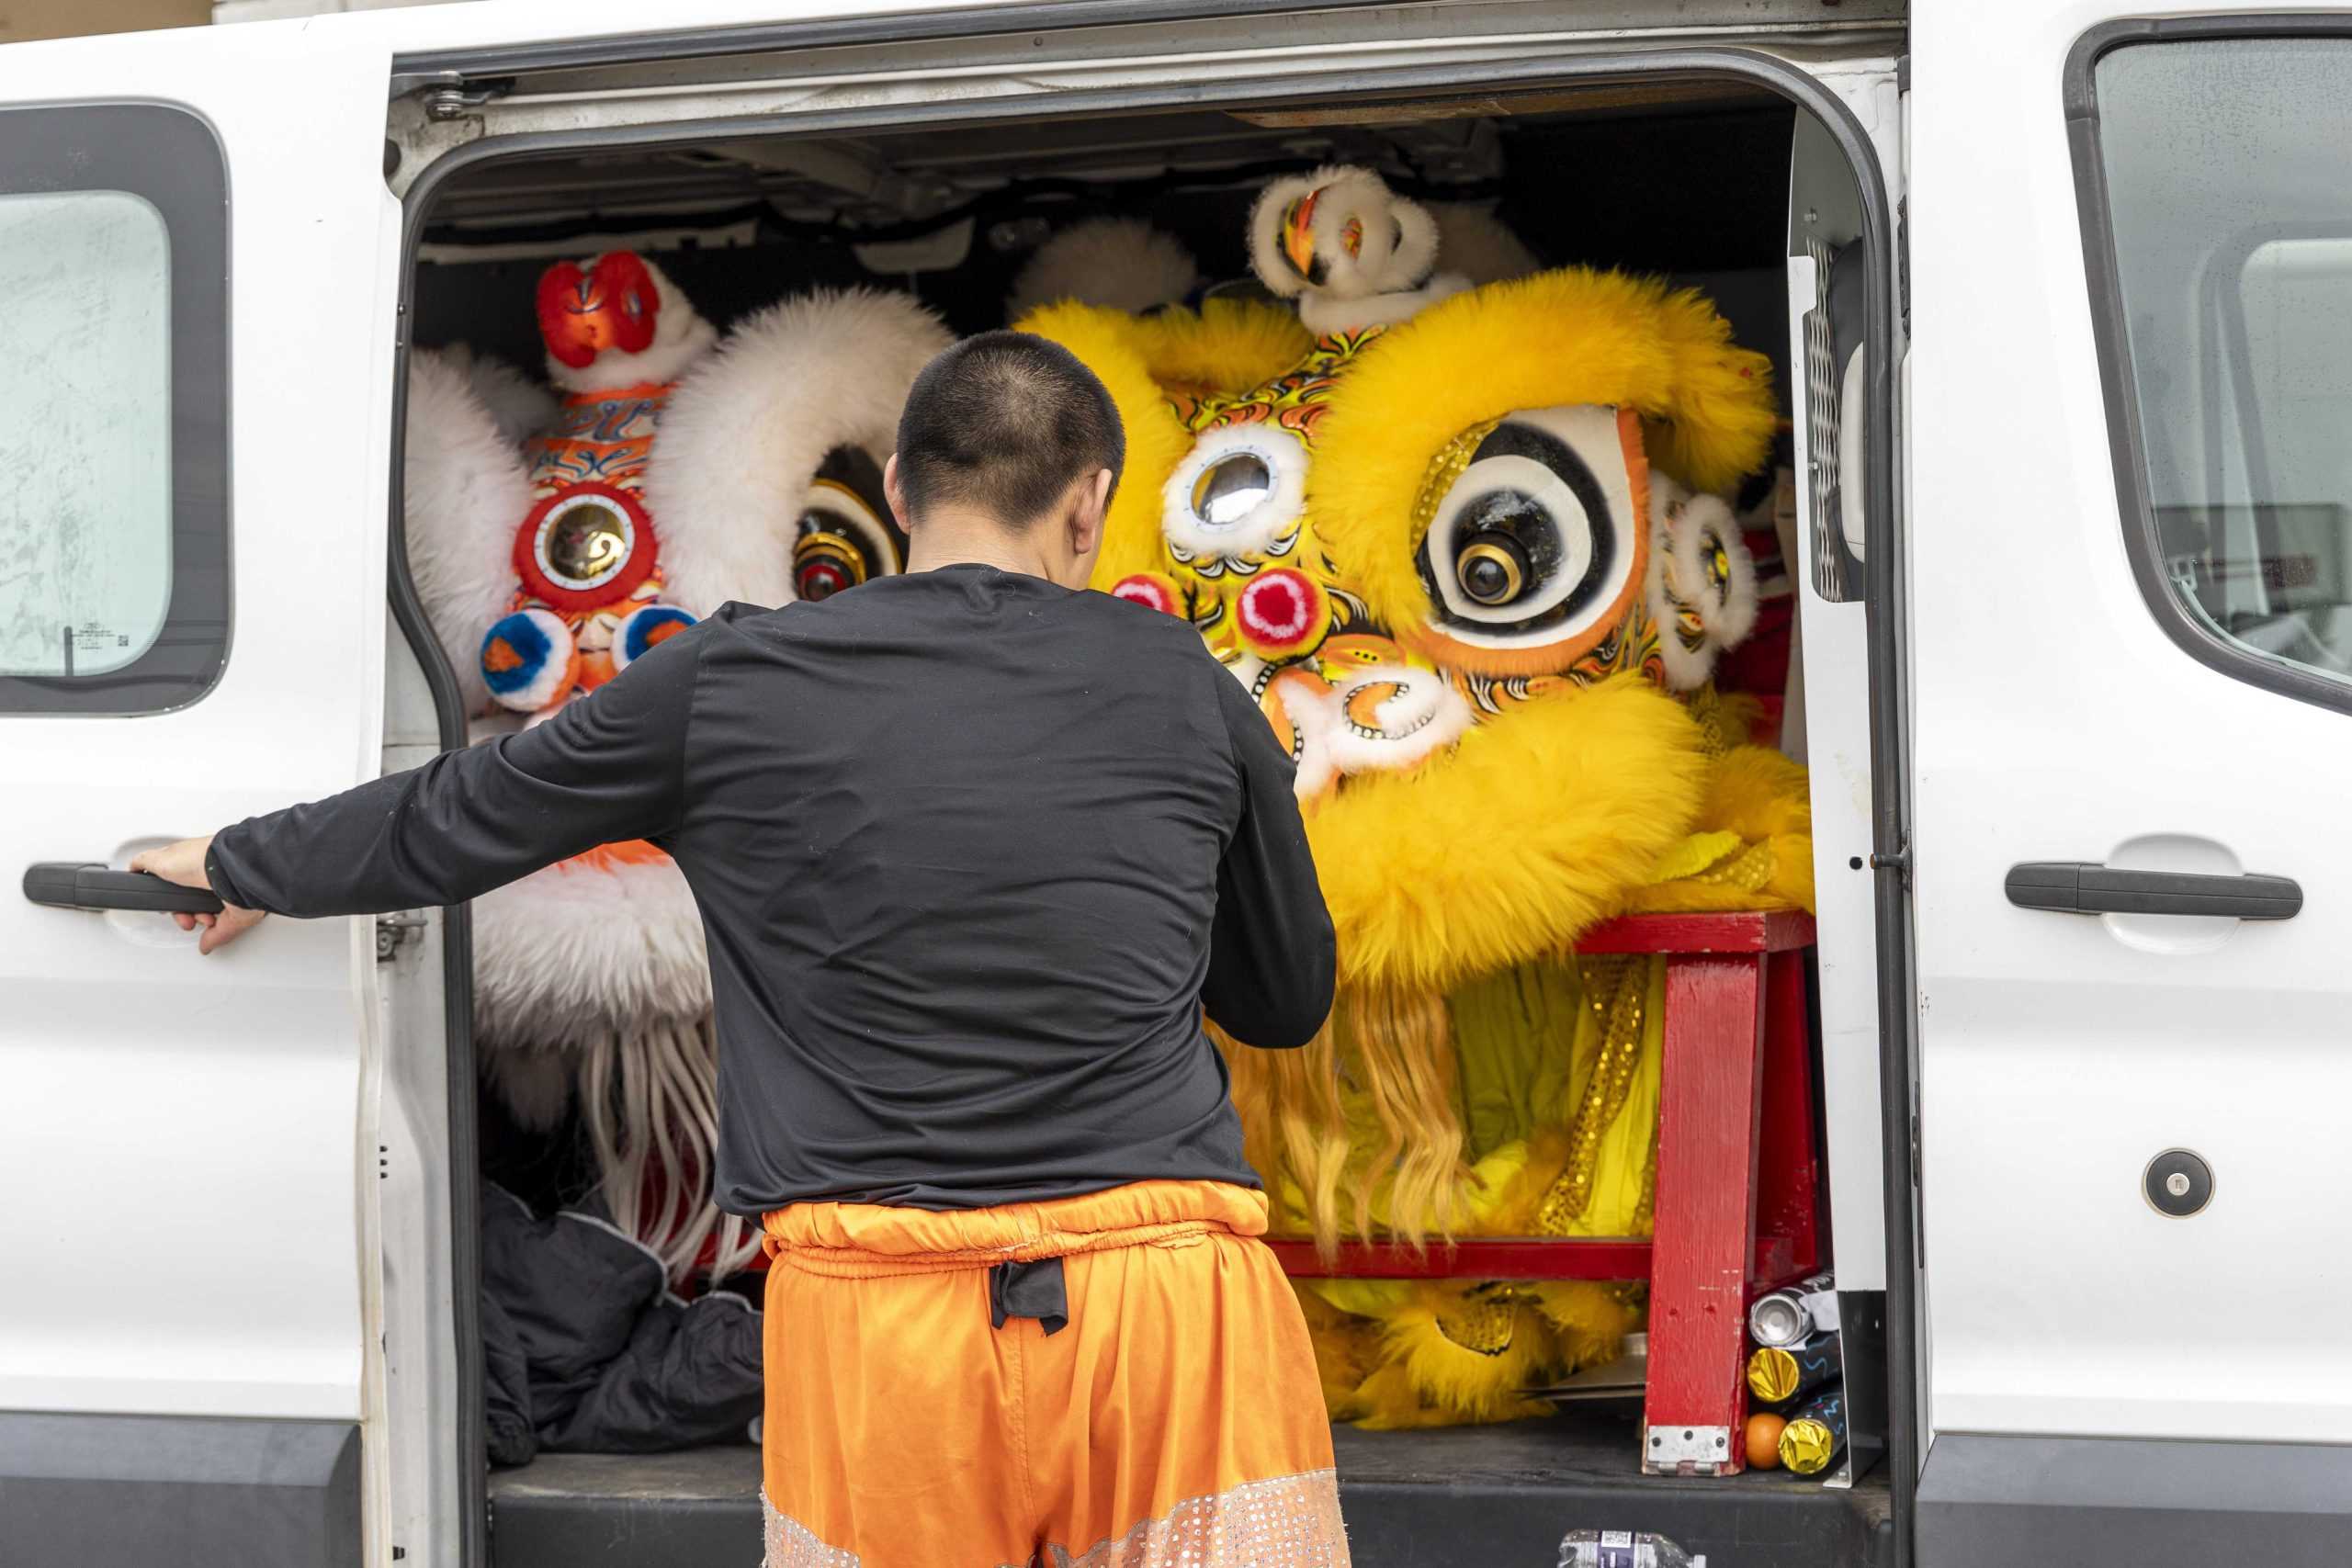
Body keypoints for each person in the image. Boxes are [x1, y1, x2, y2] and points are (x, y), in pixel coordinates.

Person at [135, 331, 1348, 1567]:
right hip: (1167, 1314)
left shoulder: (732, 680)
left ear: (895, 488)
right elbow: (1288, 997)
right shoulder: (1186, 682)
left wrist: (238, 861)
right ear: (1090, 501)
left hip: (883, 1325)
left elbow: (461, 813)